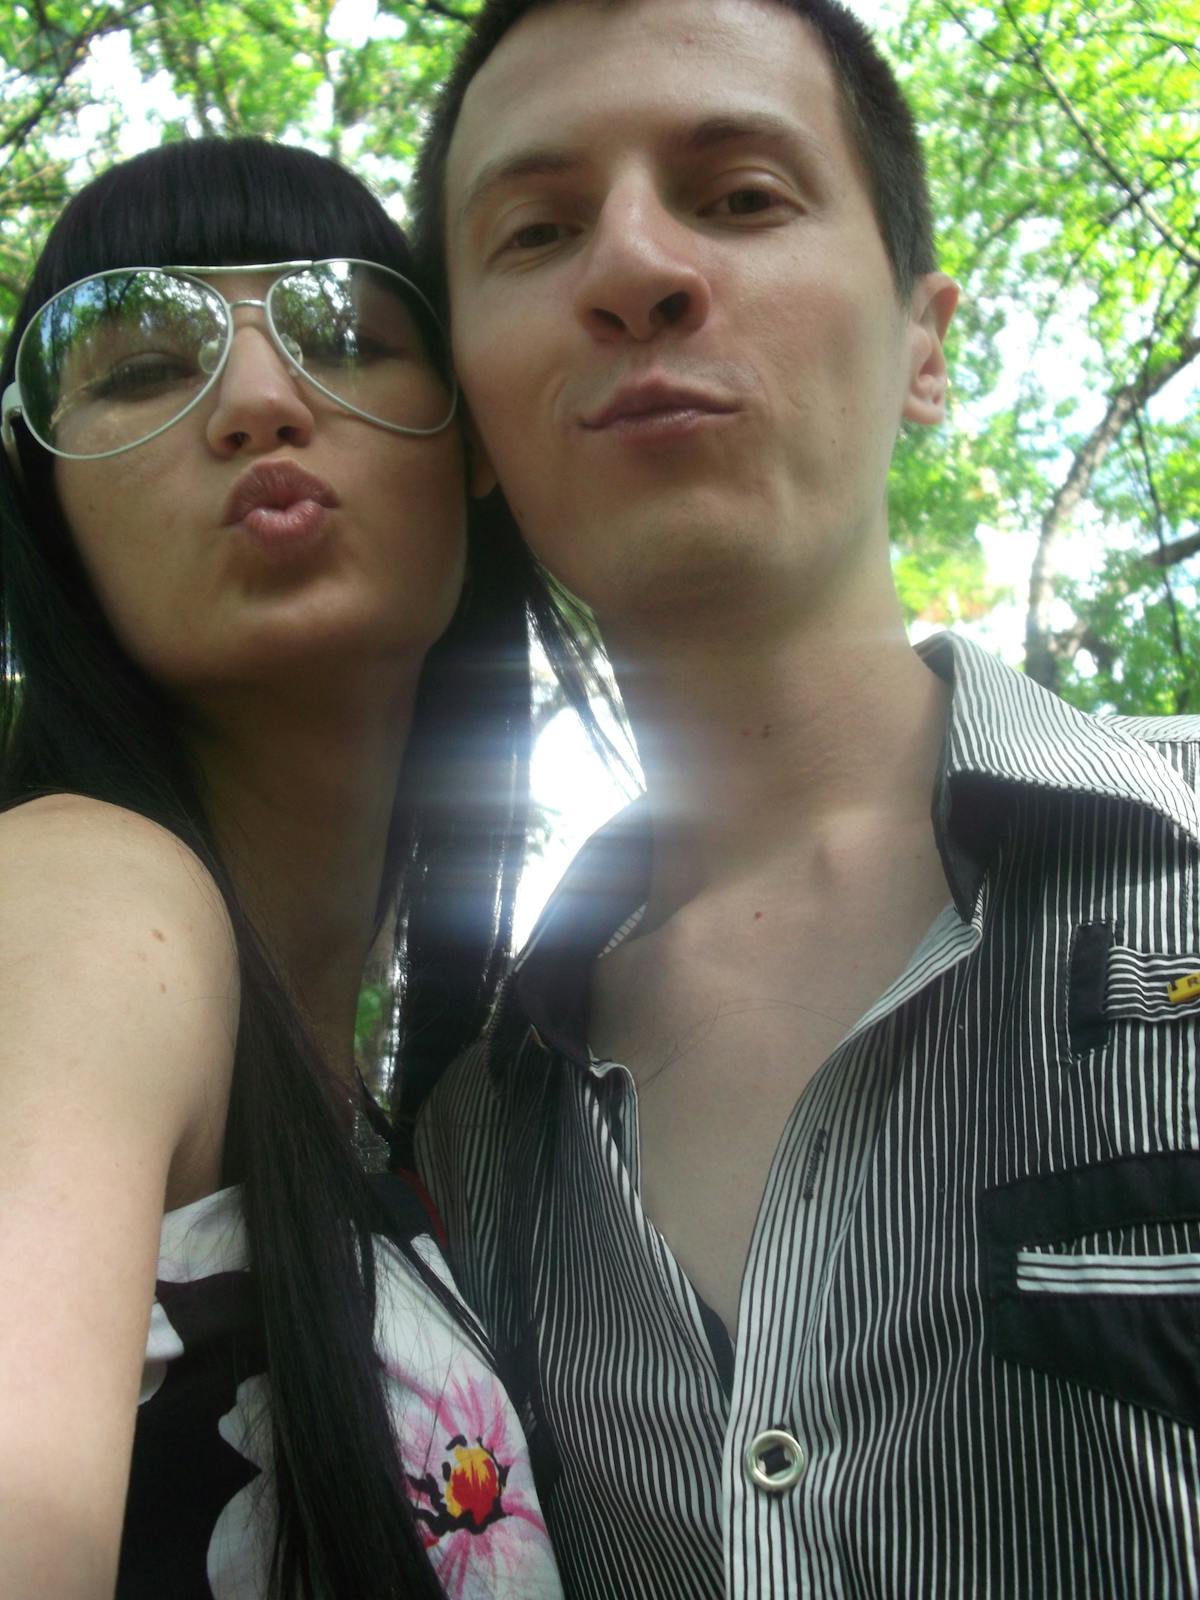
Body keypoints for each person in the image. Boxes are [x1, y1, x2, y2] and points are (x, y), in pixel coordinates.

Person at [409, 2, 1200, 1596]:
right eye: (539, 230)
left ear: (926, 343)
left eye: (741, 195)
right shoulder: (466, 1158)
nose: (634, 265)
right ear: (474, 426)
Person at [0, 136, 569, 1599]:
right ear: (44, 515)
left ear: (476, 448)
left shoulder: (445, 1129)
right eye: (135, 371)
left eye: (345, 337)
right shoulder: (83, 899)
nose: (258, 401)